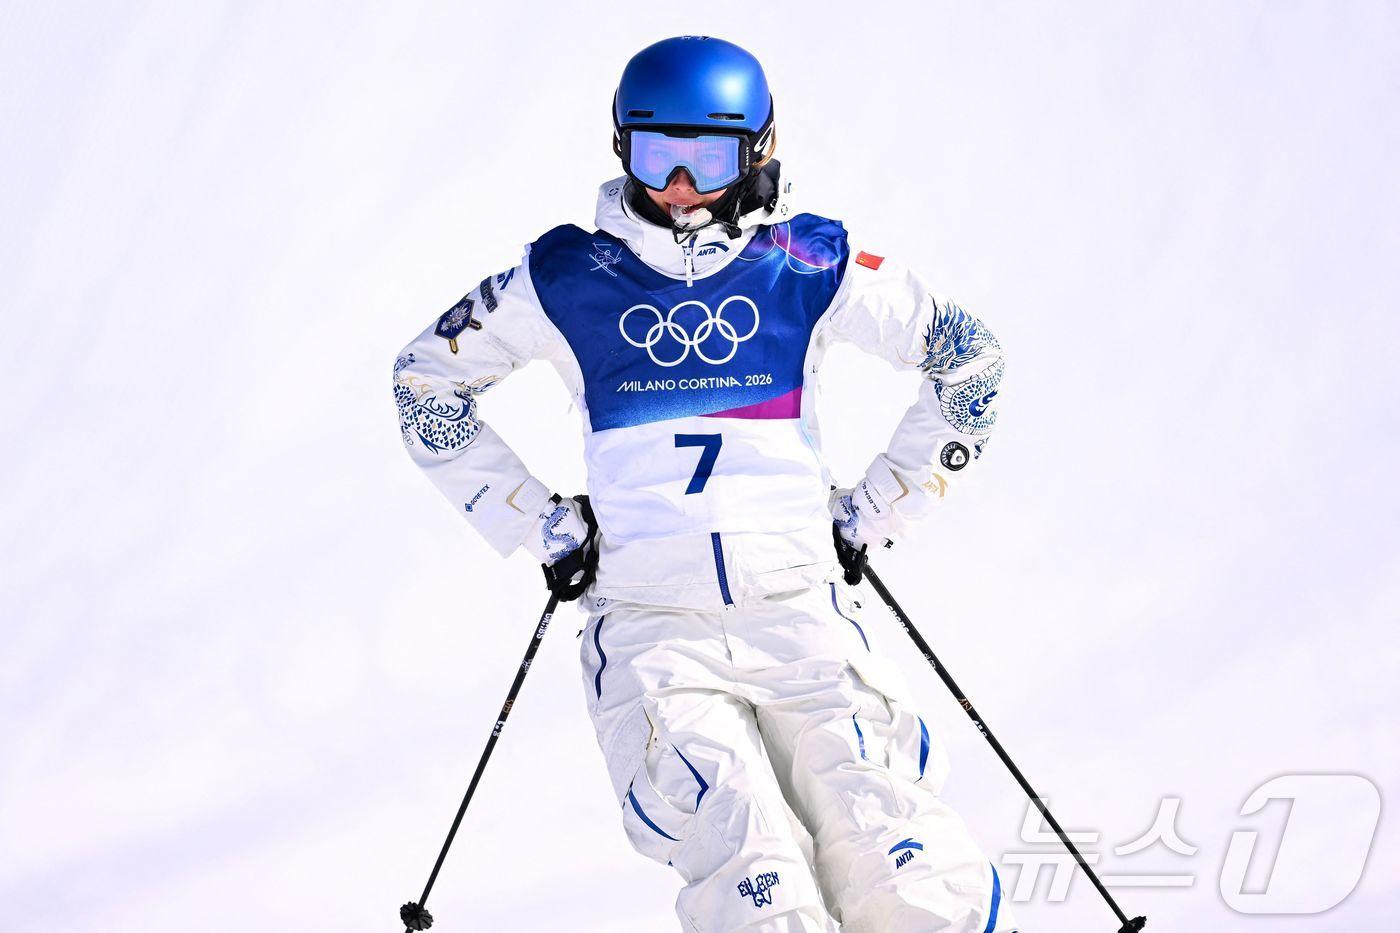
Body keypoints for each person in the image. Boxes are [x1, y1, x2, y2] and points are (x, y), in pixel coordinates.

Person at [394, 35, 1013, 933]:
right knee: (751, 869)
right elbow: (425, 380)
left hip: (798, 608)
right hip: (653, 627)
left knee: (895, 849)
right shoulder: (568, 277)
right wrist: (540, 526)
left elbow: (970, 362)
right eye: (656, 157)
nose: (679, 188)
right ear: (621, 147)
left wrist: (877, 510)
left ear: (759, 151)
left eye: (708, 160)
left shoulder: (806, 263)